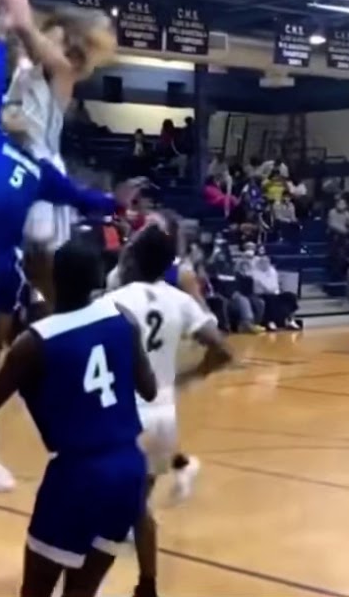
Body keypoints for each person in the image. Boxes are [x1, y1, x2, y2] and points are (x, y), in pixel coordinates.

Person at [0, 35, 135, 492]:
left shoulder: (40, 172)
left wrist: (116, 203)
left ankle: (50, 420)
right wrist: (3, 36)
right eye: (13, 104)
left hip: (10, 263)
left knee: (43, 338)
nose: (17, 107)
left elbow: (82, 196)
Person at [0, 238, 158, 597]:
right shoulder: (123, 320)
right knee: (82, 590)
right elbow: (150, 390)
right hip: (129, 469)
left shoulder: (35, 342)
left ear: (52, 277)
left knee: (36, 589)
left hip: (77, 477)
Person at [103, 226, 235, 597]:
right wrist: (191, 375)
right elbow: (223, 350)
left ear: (133, 259)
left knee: (107, 506)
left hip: (125, 414)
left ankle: (88, 583)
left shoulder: (117, 299)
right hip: (163, 416)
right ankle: (147, 586)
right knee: (136, 507)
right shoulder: (179, 300)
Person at [0, 0, 118, 285]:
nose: (48, 40)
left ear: (70, 47)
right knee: (12, 266)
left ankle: (57, 324)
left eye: (56, 37)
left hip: (41, 168)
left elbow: (20, 22)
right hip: (15, 166)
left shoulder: (63, 70)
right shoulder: (26, 66)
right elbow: (2, 14)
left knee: (43, 262)